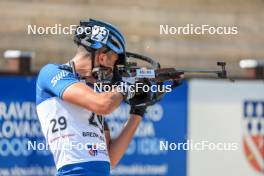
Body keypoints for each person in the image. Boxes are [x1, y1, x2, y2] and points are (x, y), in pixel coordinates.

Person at [36, 19, 150, 176]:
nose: (113, 71)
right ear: (102, 58)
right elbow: (104, 104)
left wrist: (138, 111)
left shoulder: (93, 92)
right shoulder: (51, 72)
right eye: (114, 62)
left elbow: (109, 159)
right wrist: (128, 85)